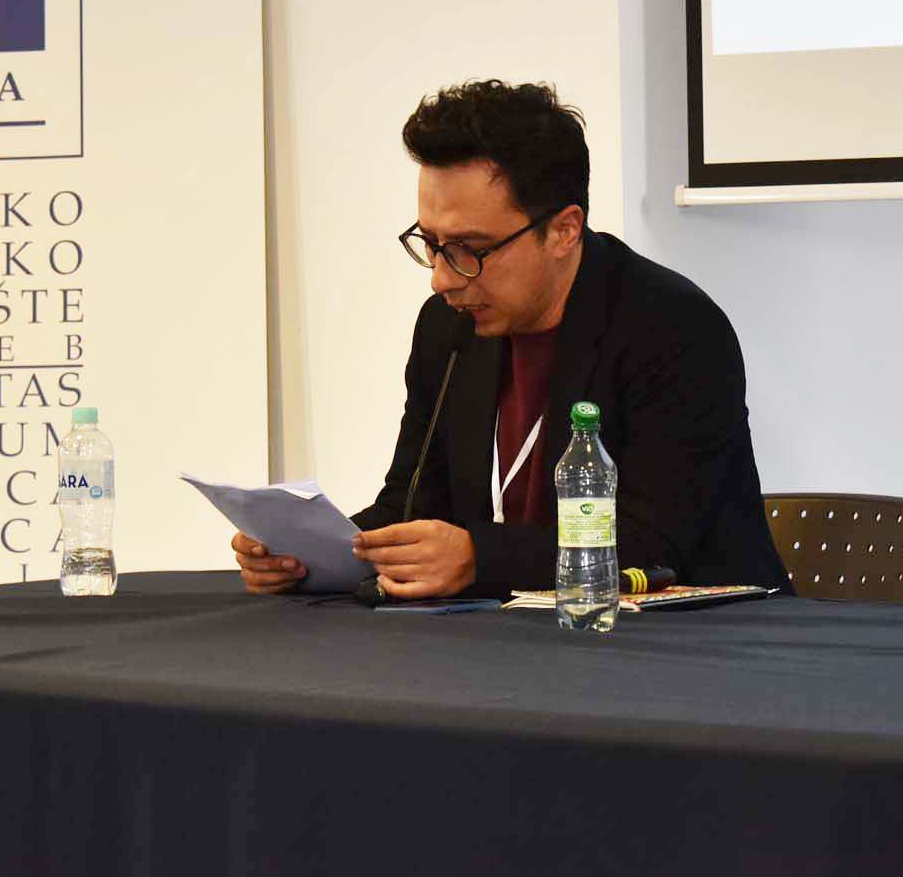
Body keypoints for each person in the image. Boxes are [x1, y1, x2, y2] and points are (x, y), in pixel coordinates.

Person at [233, 80, 789, 599]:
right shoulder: (448, 327)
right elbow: (413, 502)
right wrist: (313, 554)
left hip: (696, 639)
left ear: (564, 230)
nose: (442, 278)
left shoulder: (673, 328)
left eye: (470, 249)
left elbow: (653, 543)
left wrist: (479, 558)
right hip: (515, 636)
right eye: (432, 243)